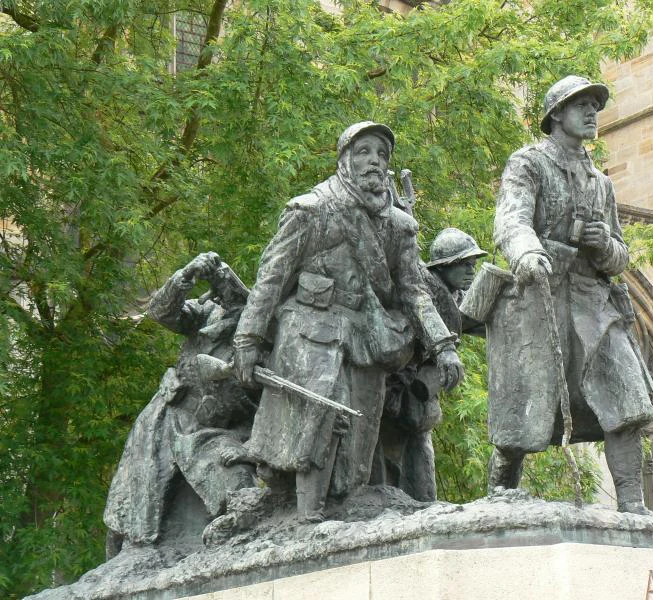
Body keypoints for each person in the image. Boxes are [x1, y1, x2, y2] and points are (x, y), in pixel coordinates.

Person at [232, 122, 464, 521]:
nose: (374, 160)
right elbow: (270, 279)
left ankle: (342, 512)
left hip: (364, 339)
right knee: (316, 425)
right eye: (364, 151)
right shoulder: (311, 210)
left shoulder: (398, 226)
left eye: (382, 154)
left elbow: (415, 292)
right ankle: (308, 516)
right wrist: (248, 339)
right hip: (309, 333)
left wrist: (444, 346)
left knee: (359, 442)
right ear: (344, 160)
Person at [491, 76, 653, 514]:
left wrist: (605, 246)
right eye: (580, 105)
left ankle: (633, 504)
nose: (591, 113)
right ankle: (501, 494)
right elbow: (512, 220)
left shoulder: (600, 181)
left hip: (593, 304)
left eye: (594, 105)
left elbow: (620, 257)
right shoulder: (529, 163)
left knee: (627, 396)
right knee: (525, 410)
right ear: (555, 115)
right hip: (542, 296)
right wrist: (527, 253)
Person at [104, 252, 258, 557]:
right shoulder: (207, 313)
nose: (222, 292)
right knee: (133, 501)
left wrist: (250, 447)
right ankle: (130, 554)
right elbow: (161, 313)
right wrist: (185, 275)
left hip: (220, 431)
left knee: (239, 493)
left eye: (226, 284)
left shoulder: (263, 326)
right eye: (217, 283)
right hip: (169, 414)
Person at [375, 228, 487, 501]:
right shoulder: (422, 291)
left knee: (419, 449)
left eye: (473, 264)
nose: (471, 271)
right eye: (464, 264)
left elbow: (472, 323)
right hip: (396, 387)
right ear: (443, 267)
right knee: (388, 455)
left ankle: (423, 502)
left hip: (419, 394)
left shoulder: (455, 295)